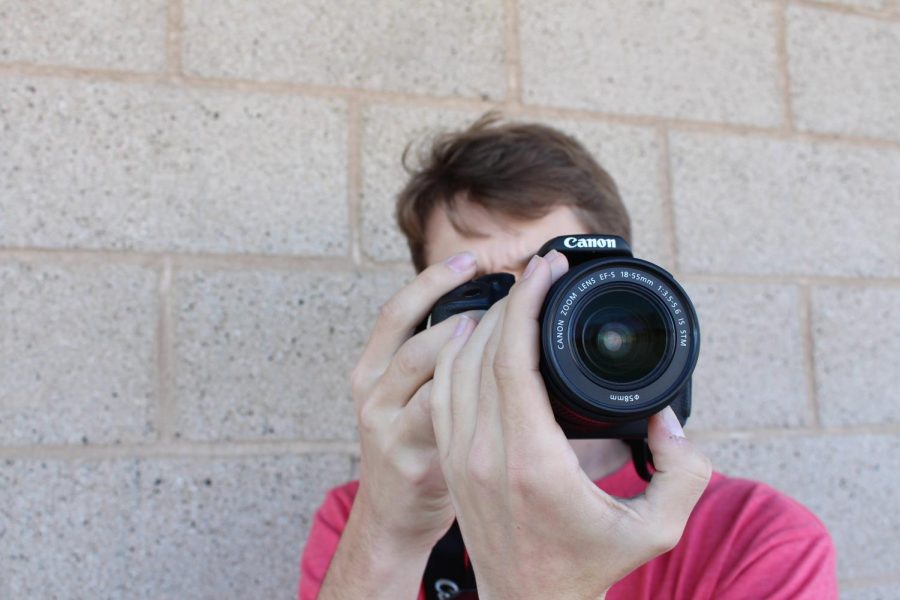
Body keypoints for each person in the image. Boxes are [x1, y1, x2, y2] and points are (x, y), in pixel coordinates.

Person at [299, 114, 837, 599]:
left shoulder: (757, 539)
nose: (514, 318)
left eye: (545, 280)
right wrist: (390, 531)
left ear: (623, 285)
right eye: (482, 289)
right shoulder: (366, 517)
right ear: (424, 320)